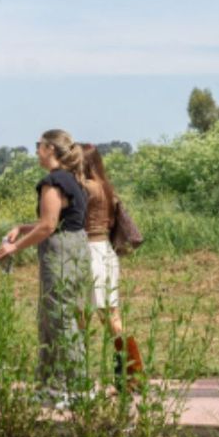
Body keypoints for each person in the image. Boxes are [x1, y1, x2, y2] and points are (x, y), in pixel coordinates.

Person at [0, 129, 92, 408]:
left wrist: (15, 247)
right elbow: (60, 220)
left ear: (50, 149)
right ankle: (52, 386)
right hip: (75, 249)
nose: (36, 150)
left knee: (59, 320)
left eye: (39, 145)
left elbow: (49, 226)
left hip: (61, 252)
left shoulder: (53, 182)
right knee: (52, 318)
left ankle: (76, 388)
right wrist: (22, 228)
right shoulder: (73, 180)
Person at [80, 144, 143, 389]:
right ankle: (132, 374)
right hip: (105, 251)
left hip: (89, 252)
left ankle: (80, 374)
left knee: (83, 317)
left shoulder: (85, 188)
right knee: (112, 316)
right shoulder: (105, 187)